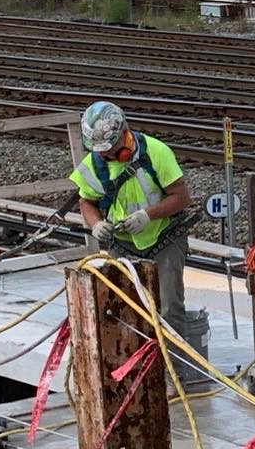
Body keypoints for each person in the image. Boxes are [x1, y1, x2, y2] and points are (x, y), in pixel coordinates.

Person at [72, 102, 195, 337]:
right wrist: (96, 223)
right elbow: (86, 202)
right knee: (124, 308)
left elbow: (181, 197)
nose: (105, 154)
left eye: (109, 147)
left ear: (124, 134)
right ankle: (133, 368)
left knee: (168, 309)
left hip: (164, 238)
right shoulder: (94, 165)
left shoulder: (157, 153)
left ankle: (173, 371)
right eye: (99, 149)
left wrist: (147, 215)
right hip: (122, 245)